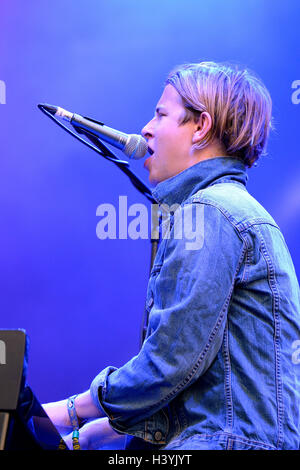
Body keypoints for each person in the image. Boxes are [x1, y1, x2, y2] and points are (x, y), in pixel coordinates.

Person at [44, 61, 300, 450]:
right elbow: (194, 388)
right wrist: (90, 436)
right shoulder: (221, 210)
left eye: (161, 114)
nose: (146, 128)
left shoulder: (210, 212)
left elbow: (170, 362)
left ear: (201, 127)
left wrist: (68, 411)